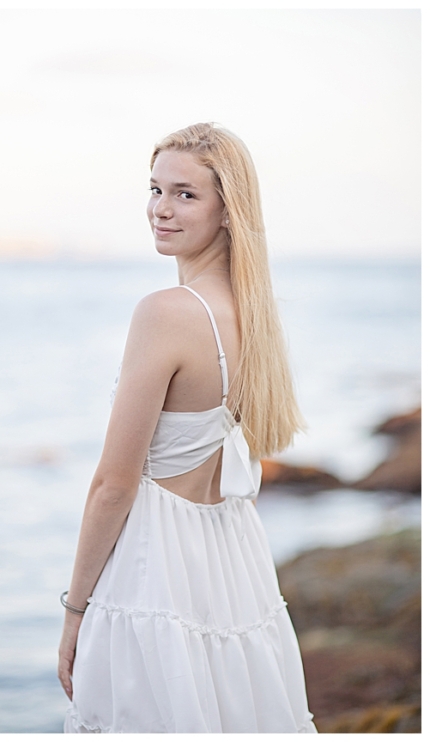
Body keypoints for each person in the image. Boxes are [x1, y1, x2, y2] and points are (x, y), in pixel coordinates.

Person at [57, 123, 316, 733]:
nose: (160, 209)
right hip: (230, 567)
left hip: (155, 571)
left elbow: (112, 487)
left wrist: (75, 611)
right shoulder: (254, 316)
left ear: (229, 209)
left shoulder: (166, 314)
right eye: (155, 189)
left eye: (184, 194)